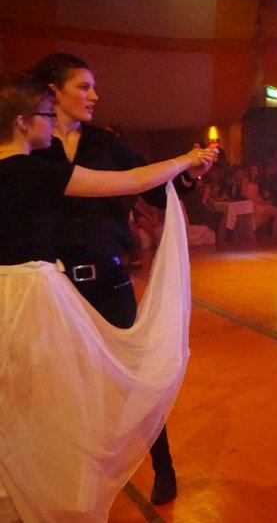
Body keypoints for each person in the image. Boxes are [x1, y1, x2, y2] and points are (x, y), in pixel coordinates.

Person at [0, 71, 215, 522]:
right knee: (51, 402)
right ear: (28, 116)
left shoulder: (96, 146)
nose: (93, 96)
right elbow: (133, 181)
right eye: (44, 112)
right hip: (36, 298)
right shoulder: (35, 168)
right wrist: (184, 157)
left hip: (79, 285)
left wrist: (186, 172)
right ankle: (57, 497)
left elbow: (145, 184)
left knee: (26, 404)